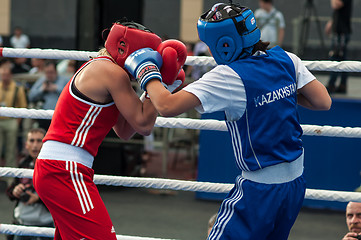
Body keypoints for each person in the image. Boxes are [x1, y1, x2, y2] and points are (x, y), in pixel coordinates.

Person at [125, 3, 332, 240]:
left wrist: (147, 71)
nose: (211, 53)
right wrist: (274, 91)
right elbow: (323, 101)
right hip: (295, 184)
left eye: (212, 46)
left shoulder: (228, 76)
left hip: (259, 190)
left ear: (225, 44)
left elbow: (166, 106)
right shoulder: (287, 59)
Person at [33, 20, 162, 239]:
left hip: (59, 168)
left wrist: (156, 88)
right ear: (125, 48)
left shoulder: (103, 68)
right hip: (65, 170)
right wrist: (161, 82)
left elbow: (126, 130)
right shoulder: (111, 72)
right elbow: (144, 124)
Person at [6, 128, 53, 240]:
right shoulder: (23, 164)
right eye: (32, 141)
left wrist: (38, 198)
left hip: (46, 224)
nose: (35, 145)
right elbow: (10, 190)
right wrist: (15, 191)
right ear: (26, 145)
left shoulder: (53, 166)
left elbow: (62, 196)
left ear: (46, 143)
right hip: (23, 223)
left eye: (39, 141)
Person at [0, 65, 27, 174]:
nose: (4, 77)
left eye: (6, 75)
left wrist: (17, 122)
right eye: (2, 75)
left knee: (11, 151)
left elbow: (23, 107)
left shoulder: (17, 88)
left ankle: (10, 180)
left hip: (11, 121)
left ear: (10, 75)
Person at [28, 60, 68, 130]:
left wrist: (56, 88)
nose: (49, 75)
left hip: (60, 117)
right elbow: (31, 96)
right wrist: (41, 90)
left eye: (51, 72)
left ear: (56, 71)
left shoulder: (64, 80)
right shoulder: (42, 81)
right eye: (47, 72)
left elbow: (70, 95)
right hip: (44, 117)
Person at [325, 0, 352, 94]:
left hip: (342, 32)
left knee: (336, 57)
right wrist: (331, 23)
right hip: (339, 31)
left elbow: (336, 5)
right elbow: (337, 11)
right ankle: (342, 85)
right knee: (341, 58)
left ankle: (332, 84)